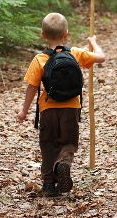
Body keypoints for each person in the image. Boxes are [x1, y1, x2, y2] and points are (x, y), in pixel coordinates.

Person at [17, 12, 105, 197]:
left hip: (48, 109)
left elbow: (32, 88)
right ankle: (62, 163)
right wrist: (93, 42)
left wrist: (23, 111)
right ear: (66, 33)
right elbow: (101, 57)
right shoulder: (75, 53)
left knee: (48, 144)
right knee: (68, 142)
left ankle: (49, 183)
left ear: (43, 35)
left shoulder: (39, 59)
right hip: (71, 108)